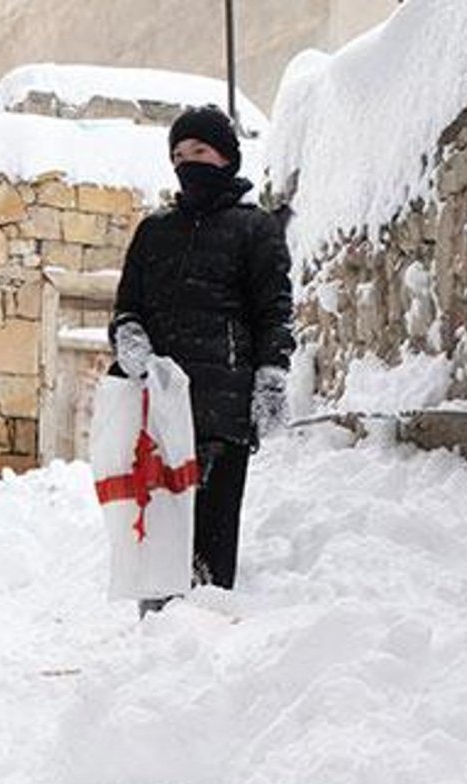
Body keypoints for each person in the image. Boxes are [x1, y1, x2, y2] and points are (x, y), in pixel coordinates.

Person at [109, 104, 295, 609]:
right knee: (160, 532)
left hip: (222, 408)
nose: (187, 161)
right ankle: (159, 636)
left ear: (227, 157)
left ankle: (204, 634)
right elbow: (128, 307)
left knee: (210, 536)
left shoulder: (255, 229)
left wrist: (271, 376)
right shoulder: (154, 231)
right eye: (178, 154)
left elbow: (274, 312)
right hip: (160, 409)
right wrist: (129, 338)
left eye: (199, 151)